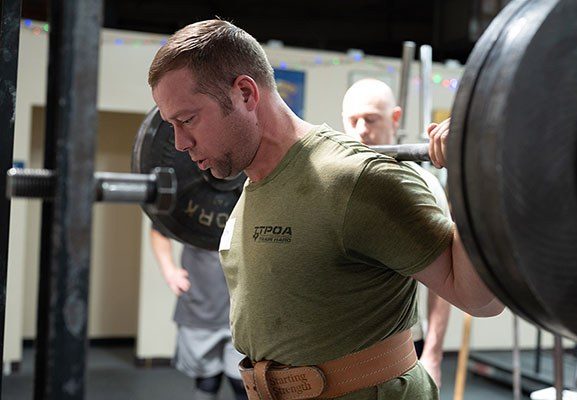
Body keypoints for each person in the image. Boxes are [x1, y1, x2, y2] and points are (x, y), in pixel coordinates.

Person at [148, 19, 504, 400]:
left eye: (186, 120)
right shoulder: (253, 180)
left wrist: (474, 178)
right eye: (170, 125)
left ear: (246, 94)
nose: (179, 143)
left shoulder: (356, 180)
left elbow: (481, 300)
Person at [341, 78, 451, 387]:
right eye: (353, 120)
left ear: (395, 118)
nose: (361, 129)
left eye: (371, 119)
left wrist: (433, 354)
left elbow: (444, 281)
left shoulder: (424, 187)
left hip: (398, 352)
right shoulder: (332, 181)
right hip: (334, 354)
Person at [149, 227, 248, 400]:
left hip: (244, 314)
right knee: (207, 382)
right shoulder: (192, 201)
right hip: (200, 308)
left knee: (244, 384)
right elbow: (159, 228)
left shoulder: (252, 201)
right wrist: (169, 271)